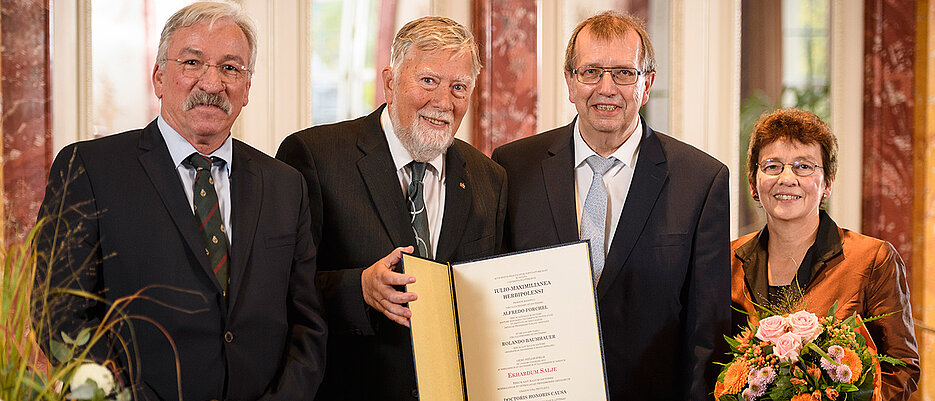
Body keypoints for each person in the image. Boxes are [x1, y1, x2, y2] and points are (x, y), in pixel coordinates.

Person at [36, 2, 326, 399]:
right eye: (192, 62)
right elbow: (59, 315)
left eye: (230, 68)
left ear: (247, 88)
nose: (211, 83)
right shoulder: (88, 169)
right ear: (159, 77)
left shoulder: (285, 185)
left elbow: (308, 325)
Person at [491, 11, 729, 400]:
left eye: (623, 73)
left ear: (647, 83)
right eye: (590, 72)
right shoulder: (513, 167)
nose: (606, 88)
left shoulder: (701, 180)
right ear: (570, 82)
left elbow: (707, 335)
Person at [276, 16, 506, 401]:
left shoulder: (490, 178)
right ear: (390, 81)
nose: (443, 102)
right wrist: (360, 288)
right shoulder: (315, 156)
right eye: (428, 81)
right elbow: (279, 290)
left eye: (459, 87)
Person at [731, 108, 920, 400]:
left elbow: (902, 370)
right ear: (754, 183)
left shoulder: (873, 259)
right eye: (772, 166)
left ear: (827, 184)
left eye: (803, 166)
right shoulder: (726, 262)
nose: (787, 178)